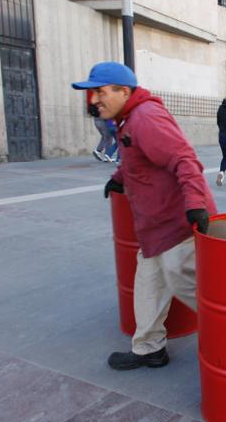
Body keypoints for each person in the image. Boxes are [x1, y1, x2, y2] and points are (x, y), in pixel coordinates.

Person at [72, 62, 215, 370]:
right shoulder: (129, 120)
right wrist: (120, 177)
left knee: (186, 283)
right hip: (154, 226)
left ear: (124, 91)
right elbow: (138, 157)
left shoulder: (145, 118)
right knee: (149, 284)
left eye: (100, 92)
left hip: (176, 223)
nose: (94, 100)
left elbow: (184, 159)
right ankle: (150, 348)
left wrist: (195, 204)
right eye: (92, 93)